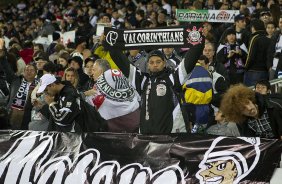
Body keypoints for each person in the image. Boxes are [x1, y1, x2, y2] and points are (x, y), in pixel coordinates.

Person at [109, 42, 203, 134]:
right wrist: (110, 44)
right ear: (148, 66)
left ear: (164, 63)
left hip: (171, 136)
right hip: (147, 138)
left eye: (158, 62)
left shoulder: (173, 78)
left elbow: (190, 59)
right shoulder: (143, 81)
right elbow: (122, 62)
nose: (155, 65)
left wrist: (199, 41)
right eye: (151, 62)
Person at [36, 73, 106, 132]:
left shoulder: (69, 94)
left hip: (79, 138)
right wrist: (43, 107)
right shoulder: (60, 93)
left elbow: (62, 119)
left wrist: (51, 103)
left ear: (53, 85)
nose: (45, 93)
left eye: (46, 90)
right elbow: (54, 118)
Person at [86, 59, 140, 133]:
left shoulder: (101, 81)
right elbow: (136, 95)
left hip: (117, 123)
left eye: (94, 70)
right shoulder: (119, 74)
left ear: (101, 71)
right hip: (135, 117)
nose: (92, 73)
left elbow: (91, 102)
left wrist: (84, 94)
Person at [182, 55, 213, 133]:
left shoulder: (187, 72)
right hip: (205, 108)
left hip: (190, 109)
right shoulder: (207, 72)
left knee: (190, 135)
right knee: (202, 134)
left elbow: (179, 89)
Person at [244, 19, 271, 86]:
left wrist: (246, 67)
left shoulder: (255, 38)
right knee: (262, 93)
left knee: (250, 93)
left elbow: (250, 56)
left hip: (254, 71)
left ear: (253, 27)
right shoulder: (268, 38)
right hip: (265, 71)